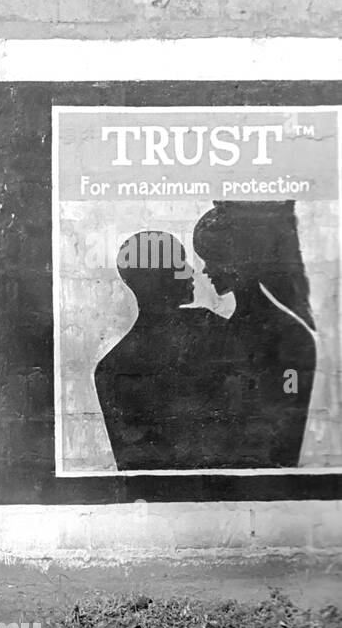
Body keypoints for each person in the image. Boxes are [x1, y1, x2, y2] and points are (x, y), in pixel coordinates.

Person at [191, 201, 318, 468]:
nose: (205, 270)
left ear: (241, 261)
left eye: (214, 259)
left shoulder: (290, 336)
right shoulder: (226, 332)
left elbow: (285, 421)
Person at [95, 231, 226, 470]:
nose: (190, 272)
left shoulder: (110, 368)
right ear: (157, 278)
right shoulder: (208, 329)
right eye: (180, 265)